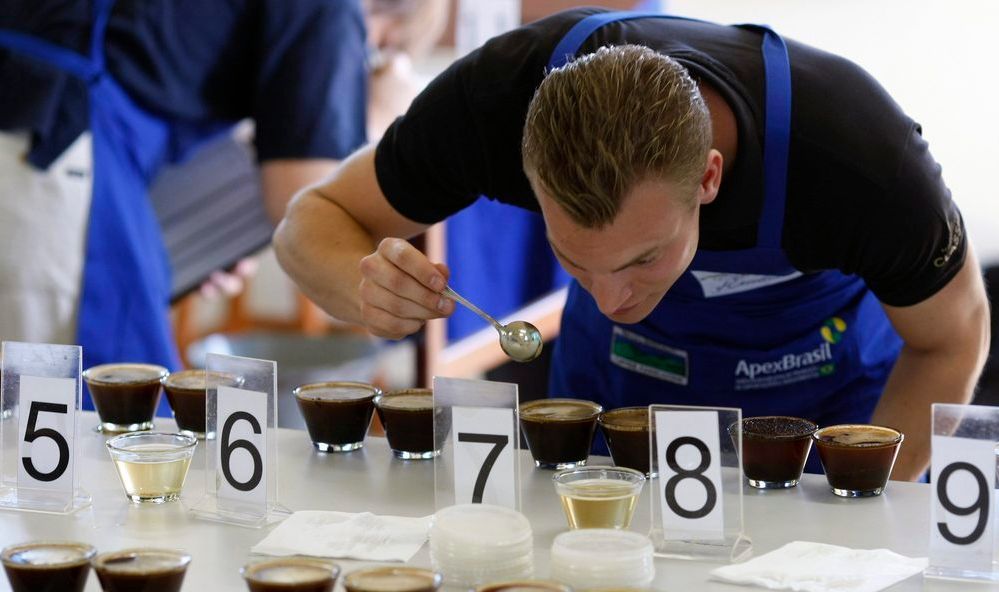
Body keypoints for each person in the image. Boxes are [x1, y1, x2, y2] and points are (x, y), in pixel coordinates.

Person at [273, 8, 989, 480]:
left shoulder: (858, 158)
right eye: (576, 260)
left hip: (826, 397)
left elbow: (953, 339)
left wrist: (862, 502)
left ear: (708, 177)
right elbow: (311, 219)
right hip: (619, 389)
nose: (614, 298)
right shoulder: (493, 104)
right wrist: (362, 287)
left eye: (643, 258)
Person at [0, 0, 445, 411]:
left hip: (39, 121)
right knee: (83, 423)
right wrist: (384, 117)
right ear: (385, 37)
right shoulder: (332, 10)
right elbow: (306, 209)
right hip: (45, 140)